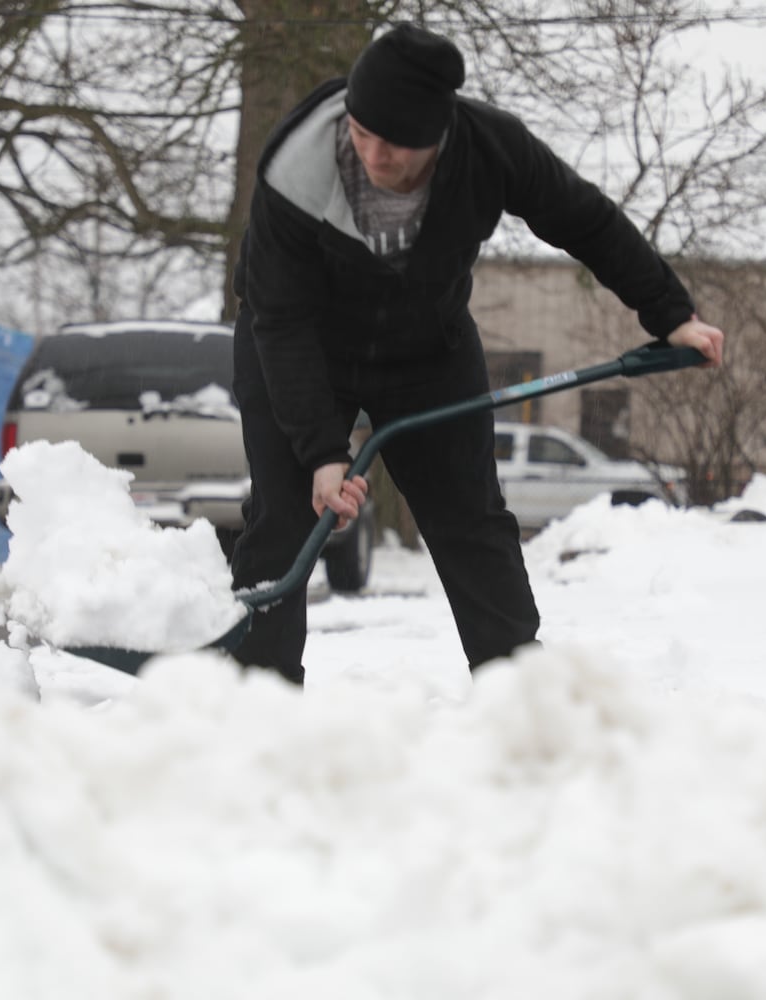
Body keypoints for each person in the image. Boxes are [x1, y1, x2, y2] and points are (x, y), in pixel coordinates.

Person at [229, 23, 724, 685]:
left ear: (438, 134)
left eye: (397, 143)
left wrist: (671, 316)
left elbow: (586, 220)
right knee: (282, 522)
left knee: (472, 521)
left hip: (426, 350)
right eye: (362, 133)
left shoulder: (490, 148)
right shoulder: (297, 165)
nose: (374, 155)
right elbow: (280, 320)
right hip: (299, 347)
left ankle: (515, 691)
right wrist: (321, 451)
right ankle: (254, 701)